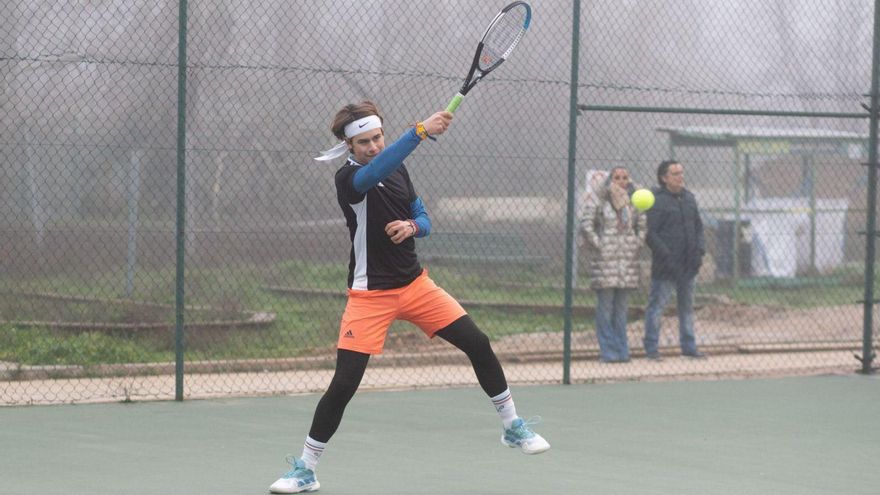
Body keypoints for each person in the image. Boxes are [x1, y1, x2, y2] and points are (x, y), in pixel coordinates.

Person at [268, 101, 550, 494]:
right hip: (369, 297)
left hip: (416, 287)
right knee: (345, 383)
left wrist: (413, 226)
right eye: (363, 141)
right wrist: (420, 131)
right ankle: (305, 469)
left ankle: (513, 428)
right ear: (349, 146)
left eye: (378, 137)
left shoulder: (398, 168)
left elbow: (426, 219)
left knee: (478, 343)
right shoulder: (348, 180)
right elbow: (375, 172)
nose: (373, 146)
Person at [579, 167, 646, 363]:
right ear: (610, 180)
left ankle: (622, 351)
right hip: (605, 263)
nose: (621, 181)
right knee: (605, 309)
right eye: (617, 177)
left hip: (627, 263)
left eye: (625, 177)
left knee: (622, 310)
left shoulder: (634, 202)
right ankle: (608, 351)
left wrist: (636, 243)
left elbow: (642, 225)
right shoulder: (600, 200)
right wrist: (600, 244)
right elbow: (586, 224)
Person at [643, 160, 706, 360]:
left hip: (688, 265)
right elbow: (650, 233)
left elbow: (698, 228)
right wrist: (667, 256)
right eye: (675, 173)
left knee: (686, 308)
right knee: (657, 307)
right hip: (666, 266)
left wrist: (699, 251)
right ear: (664, 178)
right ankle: (651, 349)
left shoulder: (689, 198)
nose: (680, 177)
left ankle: (689, 347)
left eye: (681, 173)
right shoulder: (656, 200)